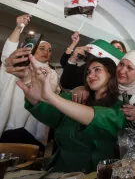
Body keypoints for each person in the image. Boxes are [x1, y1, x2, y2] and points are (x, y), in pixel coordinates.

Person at [14, 55, 126, 173]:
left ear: (110, 74)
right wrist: (28, 83)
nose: (90, 75)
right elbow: (46, 110)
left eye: (97, 69)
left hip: (93, 173)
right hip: (59, 169)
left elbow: (96, 117)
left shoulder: (119, 108)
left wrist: (51, 97)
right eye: (88, 72)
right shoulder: (74, 98)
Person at [0, 15, 60, 152]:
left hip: (36, 130)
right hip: (11, 127)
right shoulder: (22, 64)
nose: (46, 52)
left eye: (49, 50)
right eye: (42, 48)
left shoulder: (53, 73)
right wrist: (19, 27)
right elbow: (7, 56)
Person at [59, 34, 126, 90]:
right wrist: (74, 56)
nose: (113, 51)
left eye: (118, 48)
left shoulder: (121, 76)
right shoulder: (88, 67)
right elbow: (66, 81)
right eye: (111, 48)